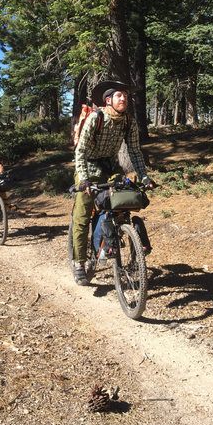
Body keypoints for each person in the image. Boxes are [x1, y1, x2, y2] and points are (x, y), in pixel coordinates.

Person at [72, 80, 156, 285]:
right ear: (108, 100)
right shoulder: (95, 118)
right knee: (82, 215)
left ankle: (115, 238)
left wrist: (144, 176)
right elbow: (80, 152)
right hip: (88, 168)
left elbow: (135, 151)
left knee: (122, 203)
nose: (124, 99)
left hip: (111, 168)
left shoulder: (129, 121)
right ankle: (80, 263)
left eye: (126, 96)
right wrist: (83, 179)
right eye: (120, 96)